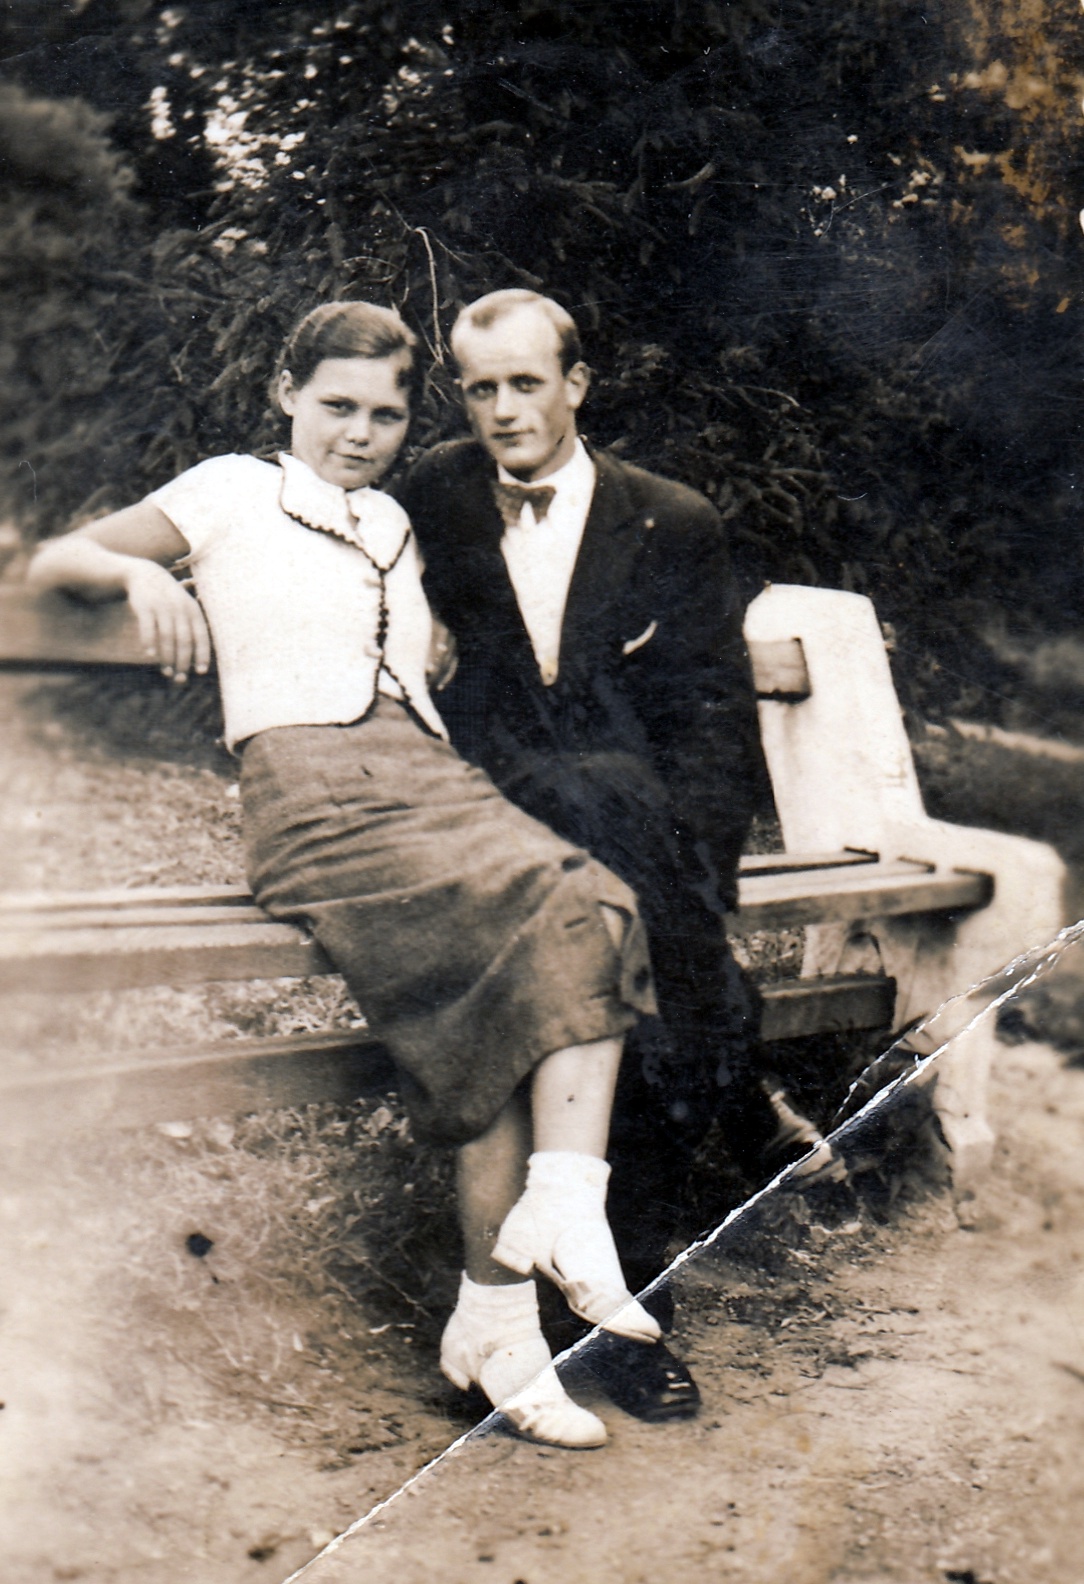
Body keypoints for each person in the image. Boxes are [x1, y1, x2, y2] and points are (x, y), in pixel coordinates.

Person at [27, 300, 667, 1452]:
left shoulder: (391, 522)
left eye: (385, 415)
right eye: (336, 406)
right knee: (537, 938)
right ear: (286, 394)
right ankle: (514, 1298)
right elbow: (55, 555)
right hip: (315, 798)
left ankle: (535, 1255)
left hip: (424, 783)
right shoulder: (230, 490)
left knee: (591, 907)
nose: (360, 435)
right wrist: (138, 580)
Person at [400, 289, 824, 1421]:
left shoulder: (670, 521)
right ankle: (730, 1078)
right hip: (494, 830)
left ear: (576, 385)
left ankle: (617, 1325)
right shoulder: (434, 496)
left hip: (636, 846)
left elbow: (712, 726)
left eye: (525, 383)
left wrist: (695, 879)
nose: (502, 410)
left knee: (634, 960)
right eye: (479, 389)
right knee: (611, 886)